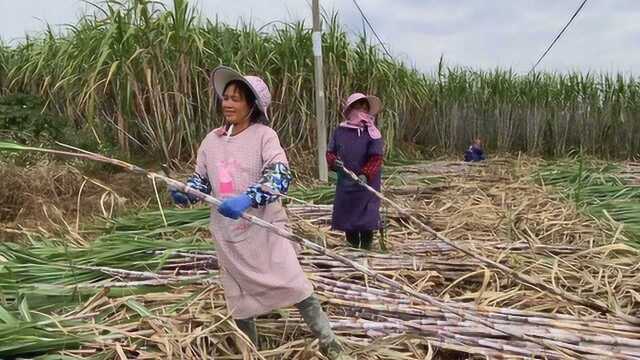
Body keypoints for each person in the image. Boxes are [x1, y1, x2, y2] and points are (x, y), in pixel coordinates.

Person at [169, 66, 352, 360]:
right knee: (239, 297)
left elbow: (280, 177)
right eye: (225, 97)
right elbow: (201, 180)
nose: (227, 103)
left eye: (236, 99)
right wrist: (186, 192)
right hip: (228, 235)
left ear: (251, 106)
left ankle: (330, 343)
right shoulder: (211, 141)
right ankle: (250, 352)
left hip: (265, 228)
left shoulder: (264, 136)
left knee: (294, 283)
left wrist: (248, 198)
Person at [326, 93, 384, 250]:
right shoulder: (340, 131)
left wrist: (365, 174)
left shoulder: (372, 132)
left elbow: (376, 158)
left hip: (367, 184)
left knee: (366, 217)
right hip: (346, 181)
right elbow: (330, 152)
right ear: (350, 109)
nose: (362, 110)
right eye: (359, 107)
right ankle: (352, 247)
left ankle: (366, 248)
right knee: (348, 215)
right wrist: (333, 162)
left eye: (365, 107)